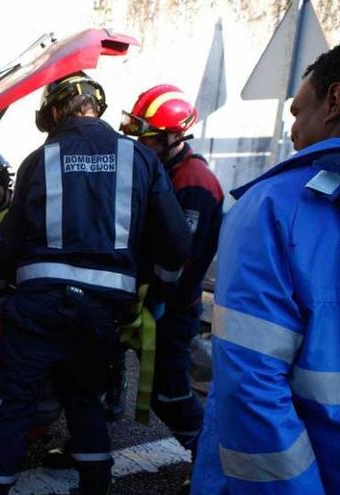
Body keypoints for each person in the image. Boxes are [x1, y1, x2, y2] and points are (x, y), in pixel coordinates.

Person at [0, 72, 191, 495]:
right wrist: (157, 291)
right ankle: (95, 487)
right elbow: (177, 244)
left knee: (10, 411)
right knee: (85, 402)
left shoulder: (39, 159)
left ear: (55, 111)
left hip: (37, 311)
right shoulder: (141, 159)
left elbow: (10, 245)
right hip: (100, 315)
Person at [191, 44, 340, 495]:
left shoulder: (277, 207)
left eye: (297, 112)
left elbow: (251, 385)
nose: (292, 130)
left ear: (334, 101)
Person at [120, 85, 223, 460]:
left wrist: (158, 298)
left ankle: (209, 461)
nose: (139, 144)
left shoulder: (193, 182)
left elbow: (180, 258)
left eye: (147, 137)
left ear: (174, 136)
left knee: (170, 392)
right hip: (148, 297)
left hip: (172, 307)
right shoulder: (163, 169)